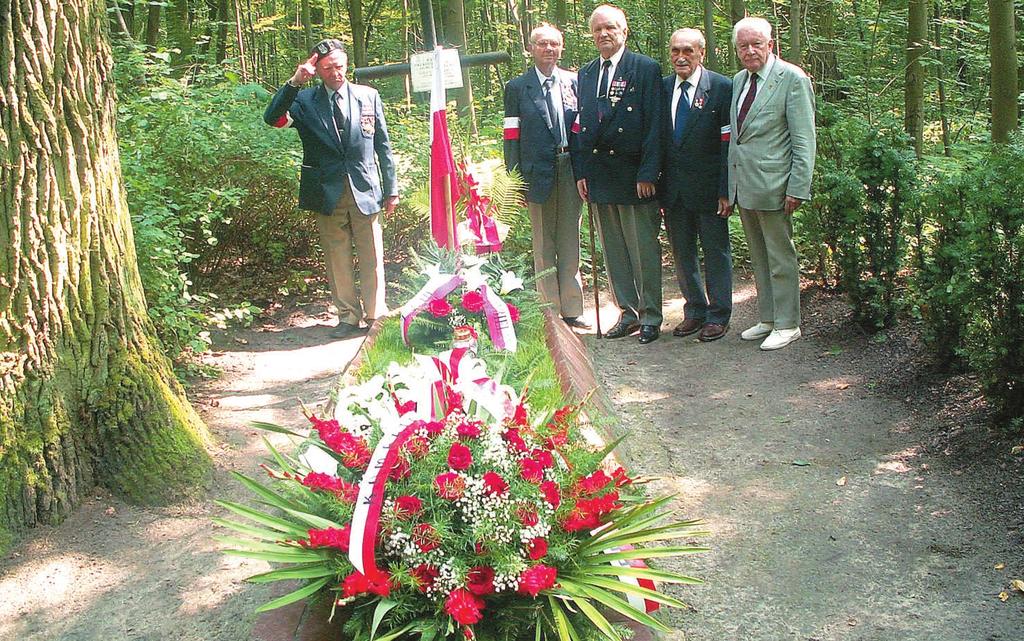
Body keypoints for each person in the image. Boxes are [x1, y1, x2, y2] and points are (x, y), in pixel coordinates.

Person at [263, 39, 399, 339]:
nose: (335, 73)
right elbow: (272, 118)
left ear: (346, 65)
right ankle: (348, 317)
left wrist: (392, 189)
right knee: (336, 256)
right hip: (326, 190)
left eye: (339, 66)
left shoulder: (369, 96)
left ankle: (375, 315)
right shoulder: (304, 101)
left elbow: (383, 146)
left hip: (365, 187)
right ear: (317, 70)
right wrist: (295, 82)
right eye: (327, 68)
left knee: (372, 255)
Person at [572, 4, 665, 344]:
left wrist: (649, 172)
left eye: (610, 28)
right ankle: (627, 311)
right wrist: (581, 171)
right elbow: (581, 127)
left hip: (635, 174)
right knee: (614, 251)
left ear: (624, 31)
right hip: (600, 175)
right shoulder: (585, 73)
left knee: (642, 249)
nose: (603, 34)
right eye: (597, 30)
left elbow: (656, 125)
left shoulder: (645, 68)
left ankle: (651, 315)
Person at [728, 17, 816, 351]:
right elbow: (739, 137)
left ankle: (788, 323)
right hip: (746, 184)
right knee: (759, 255)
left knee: (780, 256)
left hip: (777, 185)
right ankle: (768, 317)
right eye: (743, 46)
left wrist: (798, 186)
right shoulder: (739, 80)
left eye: (756, 44)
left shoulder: (792, 78)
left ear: (771, 44)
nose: (750, 51)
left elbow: (804, 139)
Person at [503, 24, 590, 331]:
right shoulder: (517, 87)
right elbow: (511, 135)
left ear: (561, 48)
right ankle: (550, 311)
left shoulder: (575, 82)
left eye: (555, 44)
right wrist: (513, 181)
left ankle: (572, 308)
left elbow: (583, 129)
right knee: (543, 242)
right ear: (531, 48)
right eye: (543, 44)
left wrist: (586, 170)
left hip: (571, 168)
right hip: (535, 172)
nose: (549, 49)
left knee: (570, 237)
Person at [660, 28, 733, 343]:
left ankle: (718, 315)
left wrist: (725, 189)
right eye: (675, 50)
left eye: (688, 51)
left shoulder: (720, 87)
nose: (680, 57)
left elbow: (728, 144)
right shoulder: (662, 89)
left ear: (702, 53)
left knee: (715, 252)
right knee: (682, 252)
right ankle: (694, 311)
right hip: (673, 189)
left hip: (709, 189)